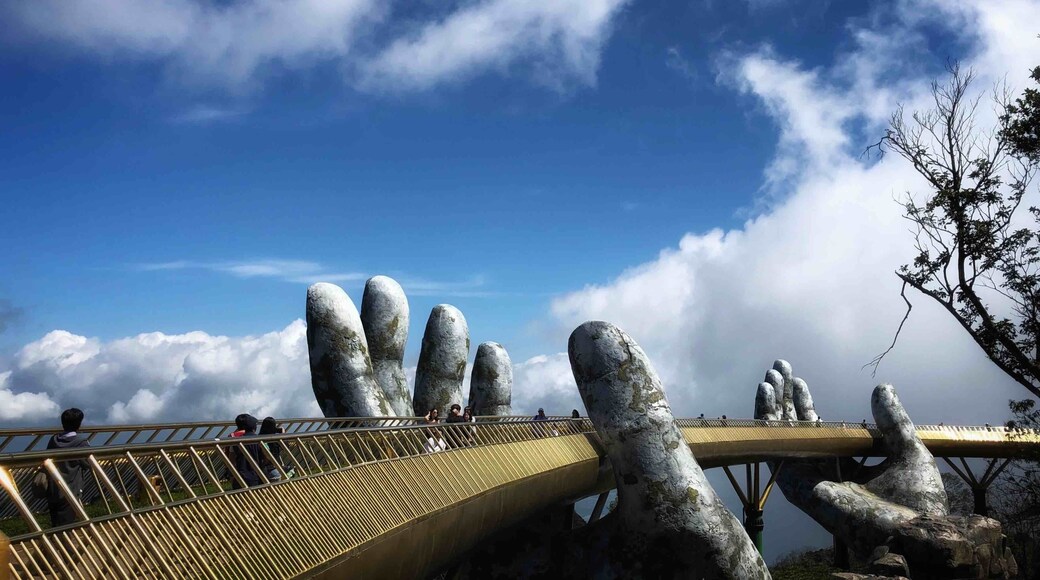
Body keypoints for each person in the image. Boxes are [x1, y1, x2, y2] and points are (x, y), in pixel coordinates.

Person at [45, 408, 90, 527]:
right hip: (71, 488)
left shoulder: (54, 439)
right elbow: (88, 464)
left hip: (52, 487)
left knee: (56, 522)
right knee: (67, 525)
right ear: (79, 424)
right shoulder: (81, 442)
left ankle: (55, 538)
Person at [229, 414, 263, 488]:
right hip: (257, 475)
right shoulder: (260, 440)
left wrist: (232, 474)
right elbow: (267, 456)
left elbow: (231, 459)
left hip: (239, 477)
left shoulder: (235, 441)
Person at [259, 417, 284, 481]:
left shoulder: (259, 438)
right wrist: (283, 434)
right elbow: (285, 447)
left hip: (262, 469)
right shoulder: (273, 440)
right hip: (270, 469)